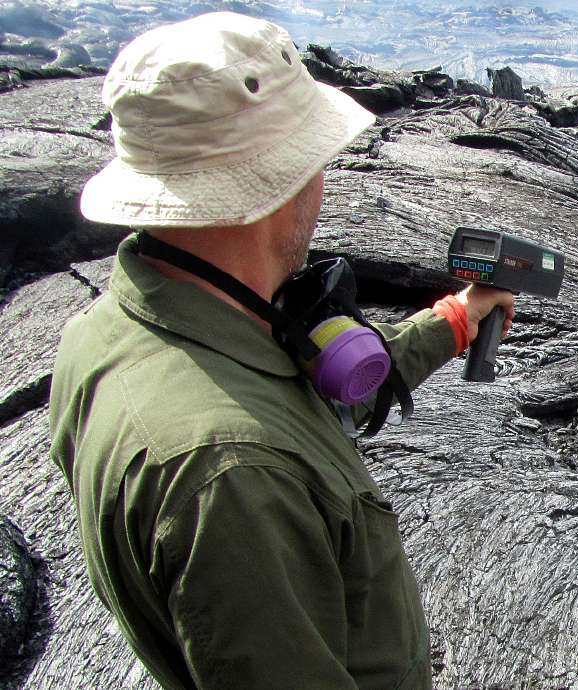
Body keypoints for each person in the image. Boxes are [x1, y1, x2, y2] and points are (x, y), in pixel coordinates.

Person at [47, 12, 513, 689]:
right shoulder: (233, 475)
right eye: (316, 159)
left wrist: (455, 321)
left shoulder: (110, 331)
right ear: (276, 184)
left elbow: (298, 387)